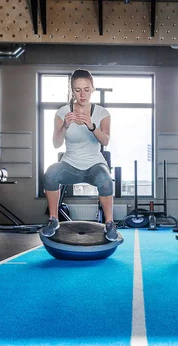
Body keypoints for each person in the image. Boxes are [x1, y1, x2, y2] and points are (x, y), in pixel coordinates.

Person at [40, 69, 118, 241]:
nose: (82, 94)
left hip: (94, 165)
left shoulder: (102, 113)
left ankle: (110, 223)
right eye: (77, 90)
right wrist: (64, 127)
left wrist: (91, 126)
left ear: (93, 89)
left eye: (86, 89)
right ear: (72, 90)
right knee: (50, 174)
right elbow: (56, 144)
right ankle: (53, 220)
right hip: (70, 165)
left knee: (105, 180)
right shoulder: (62, 113)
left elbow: (105, 141)